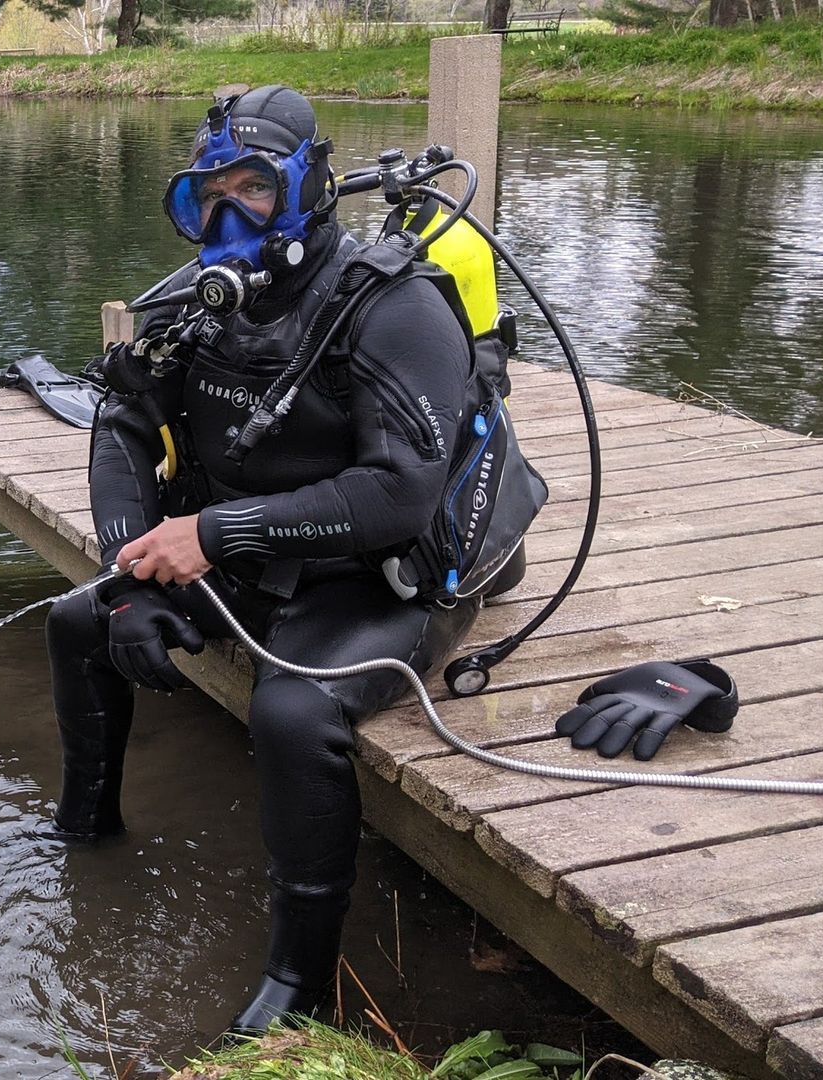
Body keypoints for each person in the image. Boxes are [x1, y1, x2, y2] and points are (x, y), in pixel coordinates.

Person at [44, 85, 505, 1038]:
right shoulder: (193, 305)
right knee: (77, 620)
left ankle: (299, 988)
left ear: (311, 190)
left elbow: (399, 495)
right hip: (246, 550)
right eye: (205, 195)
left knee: (292, 711)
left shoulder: (395, 307)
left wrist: (210, 538)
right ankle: (82, 835)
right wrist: (130, 572)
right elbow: (121, 427)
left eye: (254, 189)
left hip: (381, 574)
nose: (225, 215)